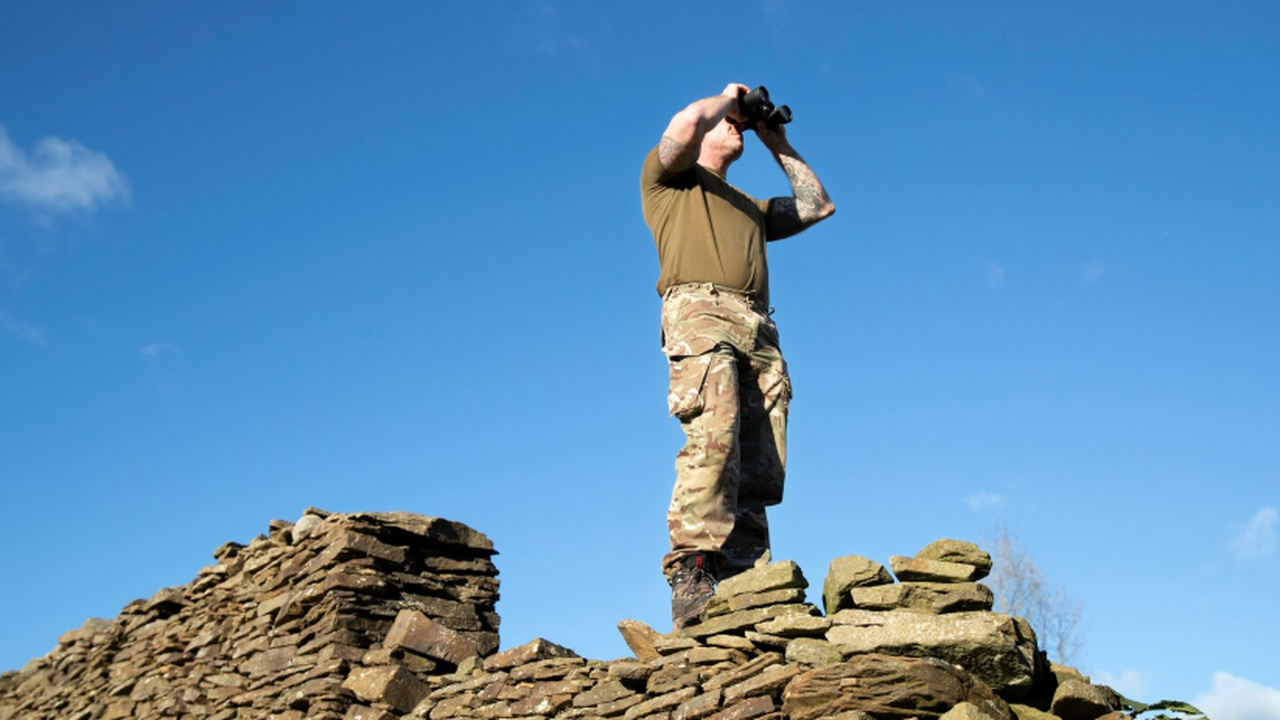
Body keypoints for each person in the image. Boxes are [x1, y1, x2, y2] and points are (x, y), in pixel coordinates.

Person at [639, 83, 836, 630]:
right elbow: (680, 130)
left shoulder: (748, 206)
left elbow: (818, 206)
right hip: (699, 309)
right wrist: (726, 98)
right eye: (728, 123)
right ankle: (694, 570)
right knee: (714, 433)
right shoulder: (669, 182)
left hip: (758, 326)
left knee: (760, 460)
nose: (736, 125)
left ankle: (749, 582)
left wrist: (777, 142)